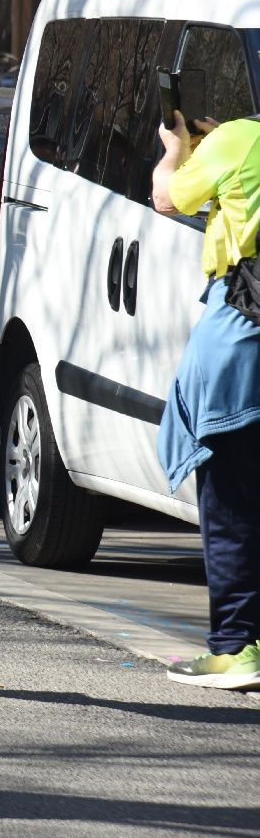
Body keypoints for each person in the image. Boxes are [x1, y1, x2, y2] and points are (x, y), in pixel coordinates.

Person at [151, 109, 260, 691]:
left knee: (231, 500)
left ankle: (235, 648)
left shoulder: (241, 139)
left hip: (243, 338)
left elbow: (168, 196)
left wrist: (177, 148)